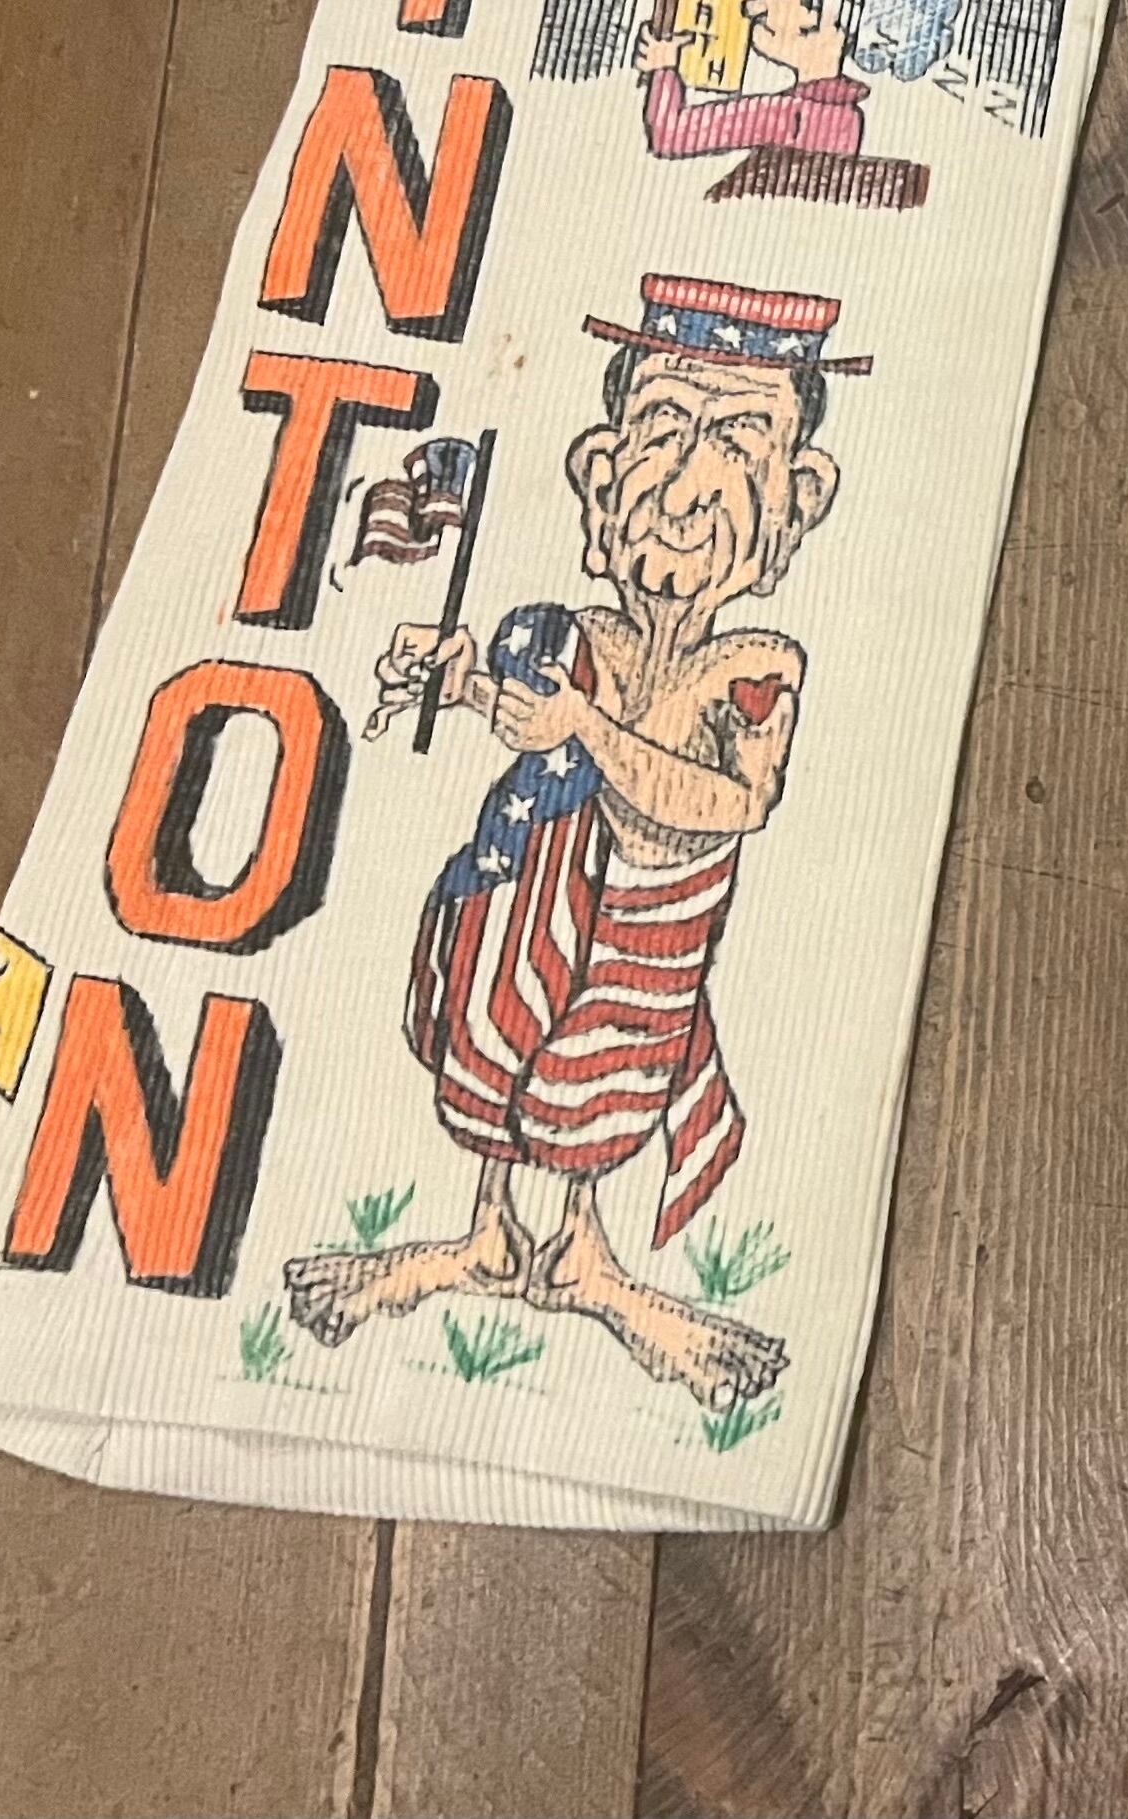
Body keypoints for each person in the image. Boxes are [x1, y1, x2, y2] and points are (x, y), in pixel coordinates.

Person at [283, 277, 868, 1412]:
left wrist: (585, 729)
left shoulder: (752, 667)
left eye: (736, 439)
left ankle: (587, 1252)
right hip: (539, 899)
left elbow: (736, 801)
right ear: (601, 475)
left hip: (648, 934)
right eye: (663, 427)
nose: (686, 482)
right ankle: (489, 1232)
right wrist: (460, 678)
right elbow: (530, 719)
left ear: (796, 499)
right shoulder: (587, 635)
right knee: (499, 1050)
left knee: (599, 1083)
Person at [635, 0, 872, 161]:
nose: (753, 7)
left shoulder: (791, 116)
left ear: (825, 17)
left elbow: (670, 134)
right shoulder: (845, 119)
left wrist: (663, 66)